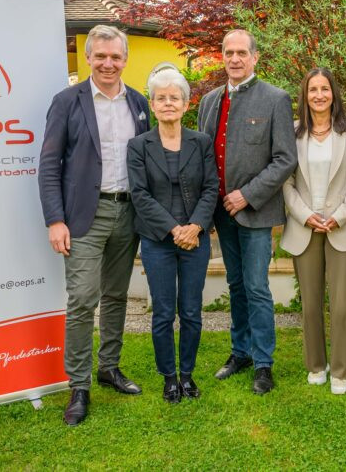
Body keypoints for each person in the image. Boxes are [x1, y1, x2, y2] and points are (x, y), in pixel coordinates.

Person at [38, 25, 150, 425]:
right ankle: (79, 385)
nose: (108, 63)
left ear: (125, 59)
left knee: (117, 295)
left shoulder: (138, 102)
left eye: (115, 57)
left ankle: (109, 367)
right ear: (88, 58)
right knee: (83, 298)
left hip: (128, 213)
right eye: (100, 56)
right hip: (84, 215)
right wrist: (55, 219)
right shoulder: (67, 101)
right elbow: (49, 164)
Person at [197, 29, 297, 395]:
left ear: (255, 57)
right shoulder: (209, 101)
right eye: (229, 52)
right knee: (235, 284)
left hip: (255, 211)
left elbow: (285, 159)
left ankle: (263, 362)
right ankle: (240, 352)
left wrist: (247, 195)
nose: (235, 59)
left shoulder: (275, 99)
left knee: (256, 286)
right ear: (222, 56)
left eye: (242, 52)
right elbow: (203, 156)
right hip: (221, 212)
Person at [127, 68, 218, 404]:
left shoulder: (201, 142)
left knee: (191, 311)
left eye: (174, 98)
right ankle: (169, 377)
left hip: (195, 239)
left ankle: (188, 375)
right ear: (152, 105)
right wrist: (174, 229)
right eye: (161, 98)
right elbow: (139, 194)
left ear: (185, 104)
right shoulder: (138, 146)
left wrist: (195, 226)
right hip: (157, 241)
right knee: (164, 312)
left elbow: (211, 187)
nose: (168, 103)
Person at [280, 68, 346, 395]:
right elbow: (286, 182)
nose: (319, 95)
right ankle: (316, 365)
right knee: (311, 305)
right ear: (305, 95)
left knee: (342, 306)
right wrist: (306, 216)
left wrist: (339, 216)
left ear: (334, 94)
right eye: (313, 89)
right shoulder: (292, 132)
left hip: (342, 226)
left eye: (325, 89)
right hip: (305, 227)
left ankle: (342, 370)